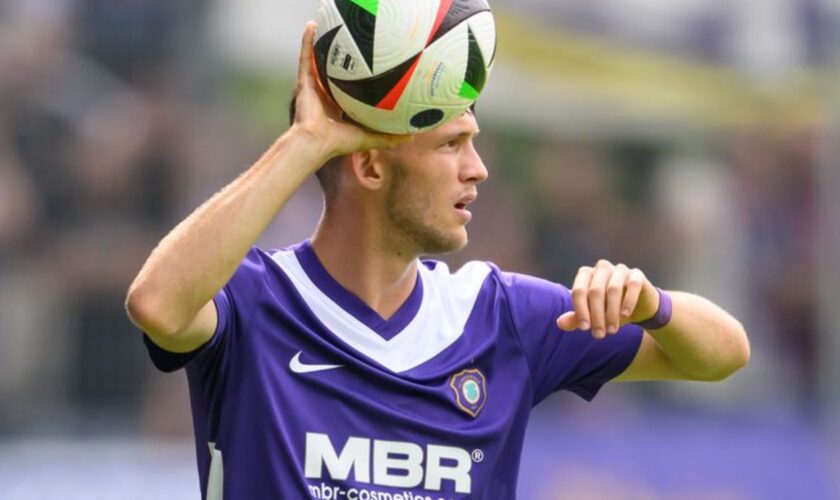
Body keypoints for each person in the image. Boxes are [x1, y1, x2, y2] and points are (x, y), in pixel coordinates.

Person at [126, 23, 750, 499]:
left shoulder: (503, 317)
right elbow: (156, 304)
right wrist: (306, 141)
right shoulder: (255, 301)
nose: (477, 169)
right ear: (370, 166)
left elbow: (723, 354)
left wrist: (653, 304)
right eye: (452, 144)